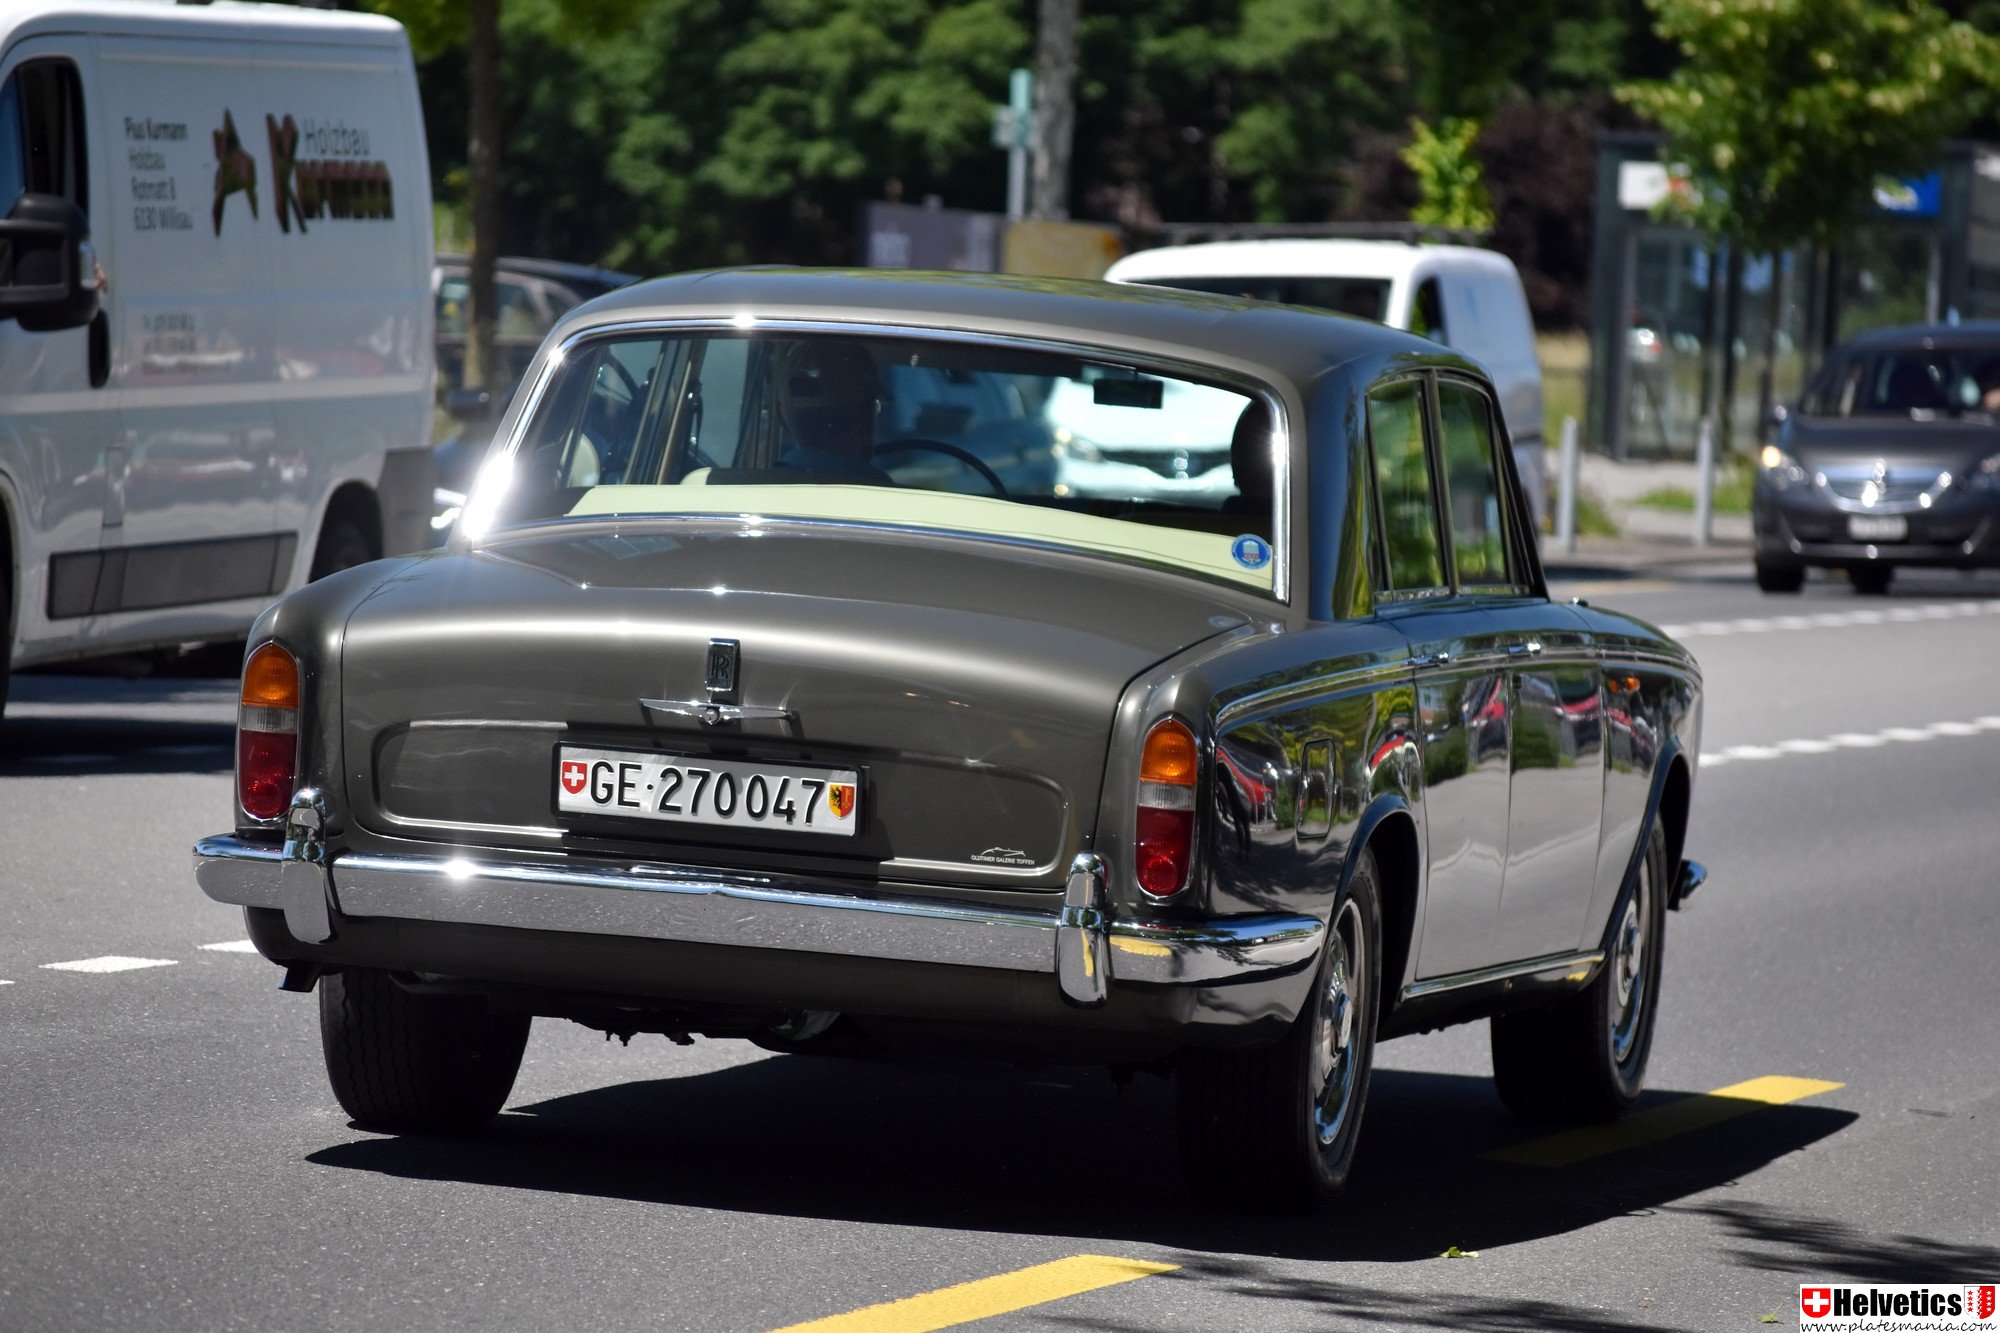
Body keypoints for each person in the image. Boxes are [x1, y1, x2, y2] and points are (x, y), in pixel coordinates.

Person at [775, 340, 893, 483]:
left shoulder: (761, 484)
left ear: (782, 419)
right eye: (875, 406)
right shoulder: (880, 488)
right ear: (865, 417)